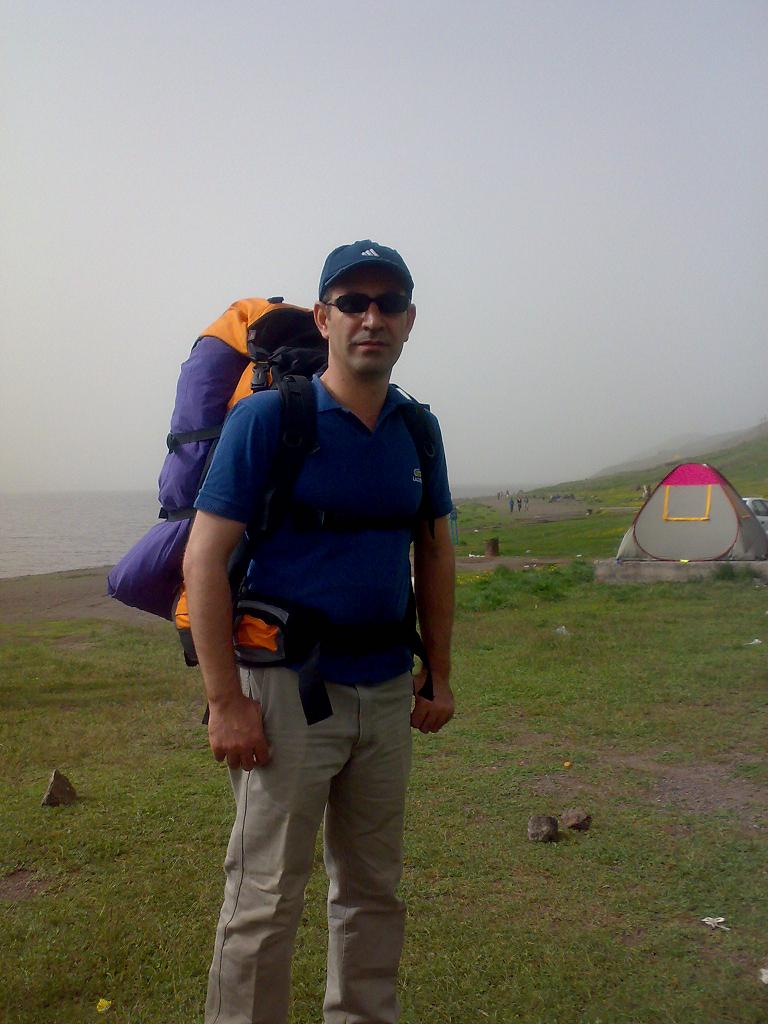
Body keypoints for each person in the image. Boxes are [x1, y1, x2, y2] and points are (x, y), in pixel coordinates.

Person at [183, 239, 456, 1024]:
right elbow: (204, 560)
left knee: (373, 890)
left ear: (409, 320)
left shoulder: (418, 430)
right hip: (282, 692)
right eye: (353, 303)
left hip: (384, 691)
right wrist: (225, 702)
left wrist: (439, 674)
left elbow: (434, 551)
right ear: (323, 317)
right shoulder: (269, 420)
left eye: (389, 303)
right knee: (265, 896)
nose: (372, 318)